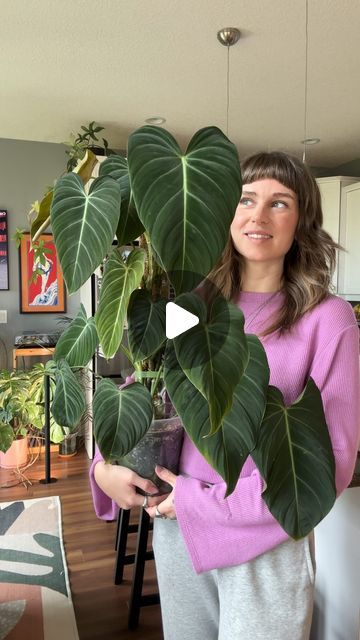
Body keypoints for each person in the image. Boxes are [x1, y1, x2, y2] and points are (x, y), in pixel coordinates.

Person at [89, 151, 360, 640]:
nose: (258, 216)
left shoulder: (330, 320)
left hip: (264, 542)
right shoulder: (189, 306)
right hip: (179, 530)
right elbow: (140, 393)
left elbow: (333, 461)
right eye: (245, 199)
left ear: (302, 223)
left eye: (280, 203)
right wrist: (103, 466)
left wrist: (205, 504)